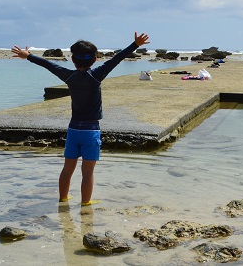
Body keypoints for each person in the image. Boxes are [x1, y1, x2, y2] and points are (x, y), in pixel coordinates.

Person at [11, 31, 150, 206]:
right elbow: (116, 59)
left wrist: (28, 56)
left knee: (68, 168)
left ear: (72, 59)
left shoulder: (68, 76)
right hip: (91, 131)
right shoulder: (96, 75)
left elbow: (48, 64)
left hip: (73, 130)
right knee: (88, 172)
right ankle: (85, 204)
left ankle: (63, 198)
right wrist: (135, 44)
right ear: (95, 59)